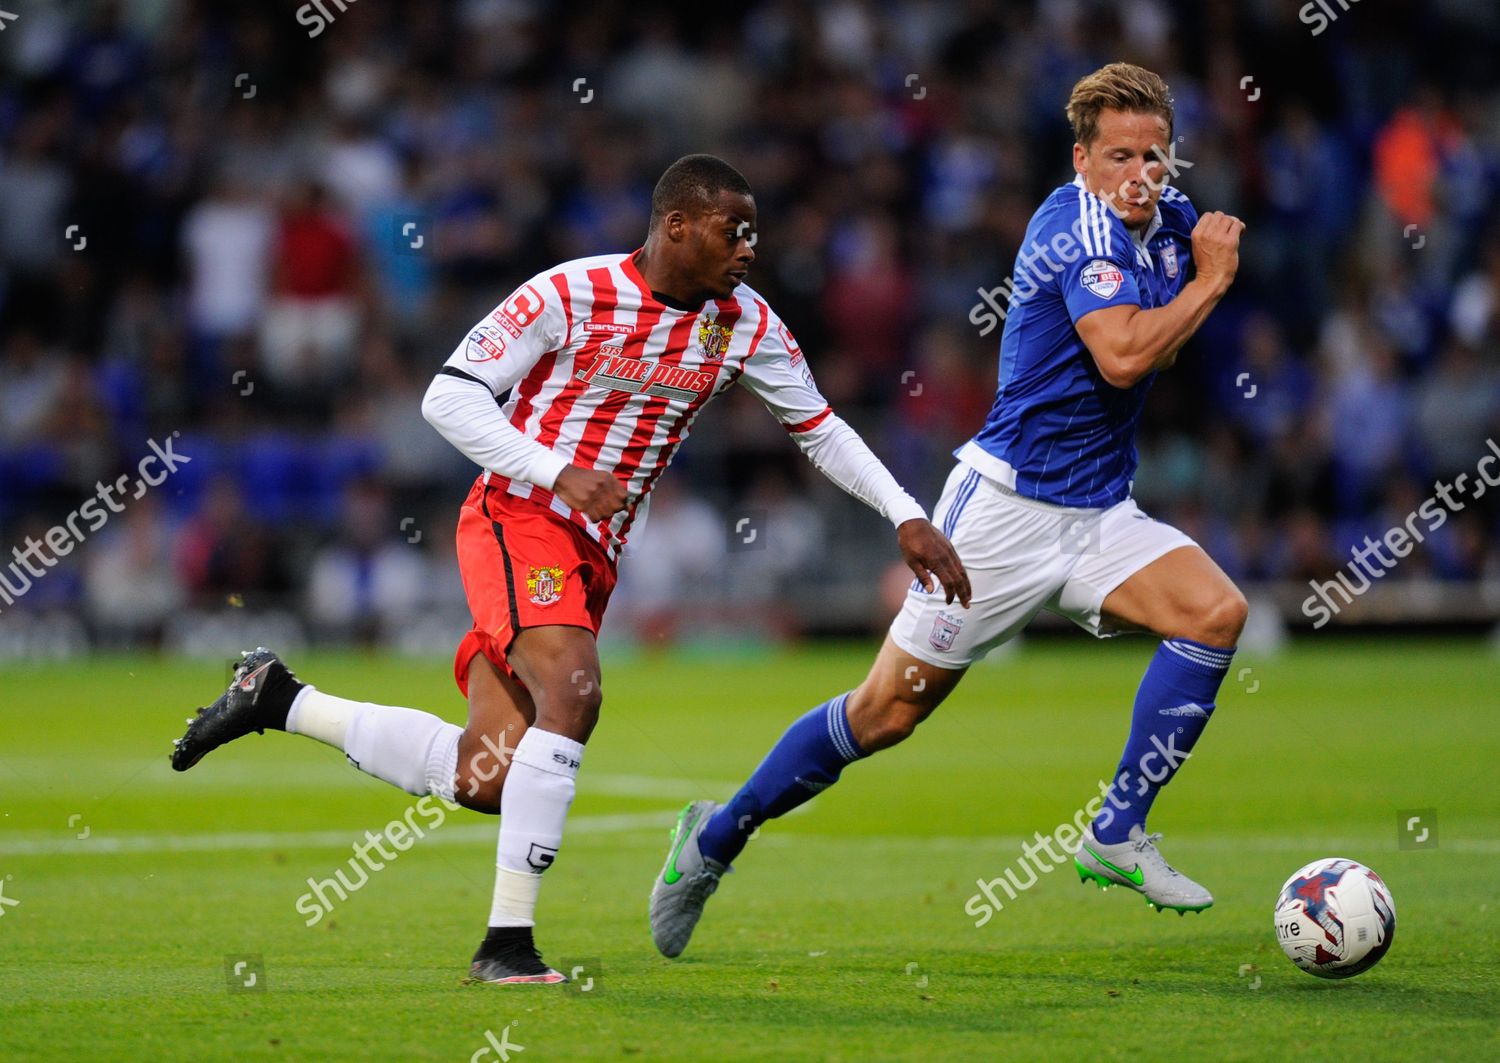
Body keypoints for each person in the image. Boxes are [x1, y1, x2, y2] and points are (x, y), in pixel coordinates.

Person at [169, 154, 969, 985]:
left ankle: (280, 699)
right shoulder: (568, 292)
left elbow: (821, 427)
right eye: (736, 231)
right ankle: (506, 944)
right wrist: (556, 472)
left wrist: (906, 511)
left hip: (595, 553)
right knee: (576, 691)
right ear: (678, 226)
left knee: (489, 774)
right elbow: (448, 396)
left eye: (754, 234)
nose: (749, 249)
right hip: (518, 516)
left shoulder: (747, 323)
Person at [650, 63, 1250, 959]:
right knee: (884, 713)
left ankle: (1116, 832)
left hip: (1098, 509)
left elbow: (1148, 353)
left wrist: (1190, 278)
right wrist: (1209, 285)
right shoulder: (1070, 226)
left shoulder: (1166, 228)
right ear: (1081, 159)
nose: (1140, 174)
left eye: (1155, 156)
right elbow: (1126, 358)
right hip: (1001, 512)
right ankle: (716, 836)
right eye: (1118, 155)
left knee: (1216, 612)